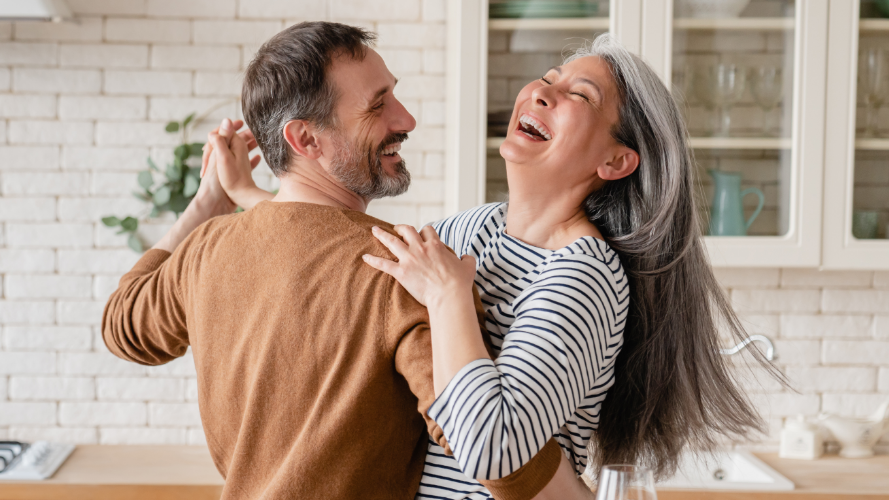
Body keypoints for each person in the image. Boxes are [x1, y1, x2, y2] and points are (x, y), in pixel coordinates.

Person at [212, 33, 774, 500]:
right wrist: (248, 192)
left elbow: (494, 450)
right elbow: (358, 254)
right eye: (548, 78)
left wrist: (451, 300)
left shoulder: (583, 278)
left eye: (578, 94)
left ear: (615, 160)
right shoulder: (474, 228)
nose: (542, 93)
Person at [102, 22, 588, 500]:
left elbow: (124, 327)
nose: (406, 119)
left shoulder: (207, 248)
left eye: (392, 94)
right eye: (378, 106)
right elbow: (494, 454)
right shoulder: (400, 269)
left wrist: (209, 201)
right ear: (306, 140)